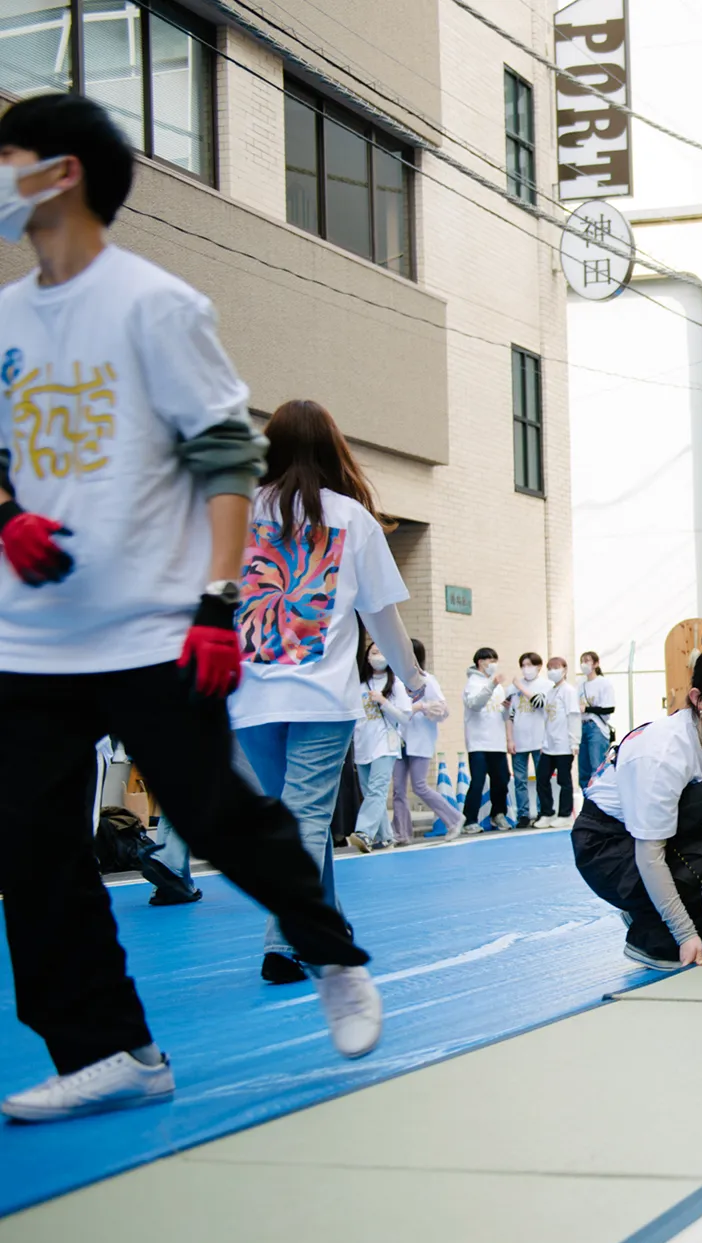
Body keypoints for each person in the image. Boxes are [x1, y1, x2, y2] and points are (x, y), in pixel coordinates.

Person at [0, 95, 379, 1121]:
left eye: (11, 156)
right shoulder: (5, 315)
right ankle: (114, 1048)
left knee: (218, 810)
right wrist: (4, 513)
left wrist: (217, 600)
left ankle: (331, 950)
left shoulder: (154, 305)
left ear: (63, 173)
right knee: (28, 846)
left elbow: (223, 453)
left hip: (149, 618)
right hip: (31, 633)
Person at [228, 399, 427, 985]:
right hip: (320, 700)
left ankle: (328, 922)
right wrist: (413, 679)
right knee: (305, 821)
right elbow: (383, 618)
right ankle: (284, 939)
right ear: (332, 450)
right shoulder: (352, 519)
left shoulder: (237, 511)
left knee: (297, 822)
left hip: (250, 699)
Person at [573, 647, 702, 969]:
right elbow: (649, 852)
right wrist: (685, 934)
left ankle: (651, 910)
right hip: (611, 847)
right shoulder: (663, 751)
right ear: (698, 699)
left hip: (672, 842)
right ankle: (653, 940)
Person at [391, 638, 464, 844]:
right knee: (398, 789)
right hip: (398, 738)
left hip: (419, 737)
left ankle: (453, 818)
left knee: (419, 785)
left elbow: (441, 708)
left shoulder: (426, 680)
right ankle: (401, 833)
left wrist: (424, 708)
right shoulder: (394, 680)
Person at [348, 641, 411, 851]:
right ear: (367, 657)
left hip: (385, 744)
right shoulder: (359, 686)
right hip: (363, 744)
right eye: (374, 652)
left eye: (382, 652)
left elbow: (405, 717)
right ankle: (385, 836)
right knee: (369, 792)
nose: (378, 656)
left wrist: (384, 701)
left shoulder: (396, 685)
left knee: (377, 790)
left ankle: (364, 833)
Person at [461, 647, 513, 833]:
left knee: (502, 780)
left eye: (494, 659)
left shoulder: (498, 686)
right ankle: (469, 820)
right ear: (479, 662)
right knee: (478, 781)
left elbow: (502, 714)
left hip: (496, 741)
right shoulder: (472, 684)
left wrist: (507, 708)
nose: (492, 663)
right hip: (478, 742)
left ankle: (498, 814)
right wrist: (491, 684)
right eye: (488, 660)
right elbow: (475, 704)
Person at [535, 653, 581, 827]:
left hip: (564, 745)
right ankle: (547, 812)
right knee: (542, 778)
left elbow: (574, 716)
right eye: (550, 668)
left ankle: (565, 814)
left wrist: (574, 741)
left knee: (564, 780)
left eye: (556, 668)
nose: (553, 671)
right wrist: (543, 742)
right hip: (549, 745)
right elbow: (547, 719)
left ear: (564, 670)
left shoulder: (568, 691)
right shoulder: (550, 691)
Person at [506, 651, 548, 828]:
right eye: (523, 665)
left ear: (539, 666)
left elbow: (539, 703)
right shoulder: (511, 689)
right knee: (520, 779)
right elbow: (508, 715)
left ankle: (540, 812)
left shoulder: (546, 685)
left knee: (541, 778)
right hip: (519, 739)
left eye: (529, 665)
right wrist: (509, 739)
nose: (526, 669)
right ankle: (523, 813)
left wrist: (519, 686)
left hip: (539, 739)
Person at [577, 650, 617, 787]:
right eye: (582, 661)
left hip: (596, 727)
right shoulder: (580, 684)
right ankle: (586, 802)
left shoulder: (603, 683)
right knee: (583, 770)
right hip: (581, 725)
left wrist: (587, 709)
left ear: (596, 663)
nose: (584, 664)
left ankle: (598, 801)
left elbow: (610, 708)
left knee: (596, 767)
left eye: (587, 661)